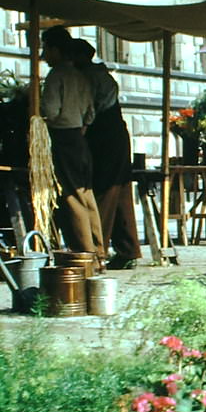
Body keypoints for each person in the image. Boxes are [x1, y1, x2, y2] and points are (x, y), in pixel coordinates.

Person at [70, 38, 141, 270]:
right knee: (120, 193)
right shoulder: (99, 75)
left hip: (105, 137)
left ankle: (97, 249)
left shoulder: (91, 77)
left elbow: (90, 111)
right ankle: (127, 249)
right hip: (114, 135)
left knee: (105, 190)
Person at [40, 26, 104, 258]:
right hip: (79, 137)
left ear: (55, 49)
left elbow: (51, 110)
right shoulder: (80, 75)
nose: (43, 54)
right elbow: (90, 114)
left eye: (45, 48)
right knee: (86, 194)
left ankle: (85, 252)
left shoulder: (57, 75)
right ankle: (98, 250)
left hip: (64, 137)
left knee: (72, 195)